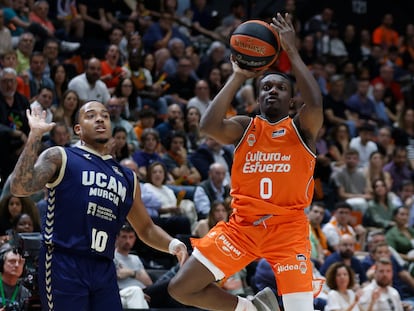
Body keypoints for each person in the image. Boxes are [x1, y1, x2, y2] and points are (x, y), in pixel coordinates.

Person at [168, 13, 323, 311]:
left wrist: (291, 51)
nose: (272, 91)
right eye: (266, 87)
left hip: (288, 230)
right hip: (242, 228)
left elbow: (315, 103)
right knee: (180, 288)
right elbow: (208, 126)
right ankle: (251, 309)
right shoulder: (245, 127)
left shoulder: (302, 129)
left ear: (292, 101)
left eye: (280, 87)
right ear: (258, 98)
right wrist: (238, 75)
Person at [9, 100, 188, 310]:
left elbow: (146, 228)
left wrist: (174, 245)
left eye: (105, 115)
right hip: (64, 261)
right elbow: (20, 187)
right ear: (78, 129)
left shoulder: (127, 177)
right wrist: (35, 136)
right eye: (91, 115)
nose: (100, 118)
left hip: (104, 267)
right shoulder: (61, 156)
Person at [114, 223, 152, 309]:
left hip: (140, 294)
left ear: (134, 239)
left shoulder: (135, 259)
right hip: (121, 294)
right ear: (117, 238)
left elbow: (148, 282)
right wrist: (138, 276)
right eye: (124, 237)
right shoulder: (112, 256)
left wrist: (131, 272)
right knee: (136, 291)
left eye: (130, 237)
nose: (127, 241)